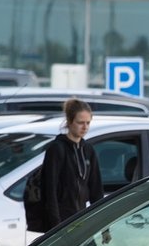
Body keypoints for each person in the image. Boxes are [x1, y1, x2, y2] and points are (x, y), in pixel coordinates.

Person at [36, 98, 102, 231]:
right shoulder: (57, 148)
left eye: (88, 123)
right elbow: (50, 190)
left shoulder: (88, 149)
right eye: (80, 123)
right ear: (69, 121)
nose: (85, 127)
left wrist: (103, 226)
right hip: (61, 221)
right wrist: (56, 225)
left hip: (81, 217)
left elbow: (96, 190)